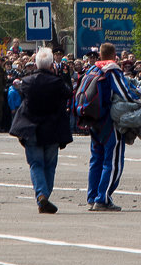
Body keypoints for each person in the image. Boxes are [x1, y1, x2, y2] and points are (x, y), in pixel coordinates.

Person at [9, 48, 72, 214]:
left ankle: (41, 195)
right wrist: (59, 75)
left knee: (36, 164)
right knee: (50, 165)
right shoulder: (57, 82)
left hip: (31, 128)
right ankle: (44, 197)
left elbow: (22, 93)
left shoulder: (27, 81)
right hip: (52, 129)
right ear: (52, 65)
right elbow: (68, 93)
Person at [86, 42, 132, 212]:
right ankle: (103, 198)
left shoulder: (92, 69)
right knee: (112, 162)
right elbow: (124, 92)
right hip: (109, 120)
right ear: (114, 55)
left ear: (100, 54)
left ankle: (92, 197)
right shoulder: (112, 70)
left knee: (96, 159)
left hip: (93, 120)